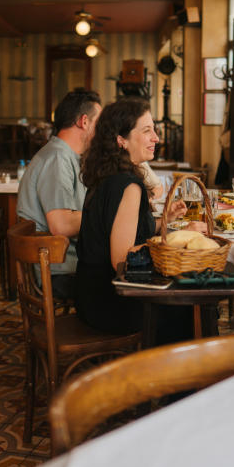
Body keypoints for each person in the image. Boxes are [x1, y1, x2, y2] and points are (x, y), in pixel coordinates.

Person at [75, 97, 195, 341]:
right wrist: (180, 240)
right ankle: (170, 374)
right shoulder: (128, 186)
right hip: (112, 304)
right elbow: (121, 258)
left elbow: (125, 230)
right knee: (190, 303)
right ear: (122, 140)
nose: (156, 138)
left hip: (89, 295)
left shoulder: (107, 176)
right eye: (147, 130)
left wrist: (165, 220)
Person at [16, 88, 101, 300]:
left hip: (65, 263)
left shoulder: (66, 156)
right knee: (127, 285)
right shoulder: (57, 158)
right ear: (84, 121)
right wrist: (106, 216)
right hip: (58, 272)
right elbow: (61, 225)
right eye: (99, 123)